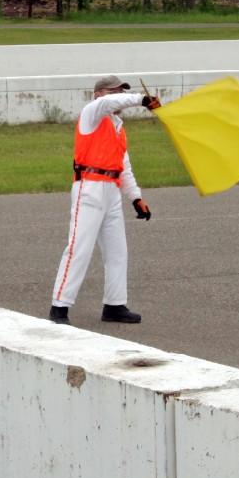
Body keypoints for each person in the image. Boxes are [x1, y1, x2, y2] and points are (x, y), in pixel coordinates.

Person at [49, 75, 160, 326]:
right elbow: (109, 104)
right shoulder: (92, 112)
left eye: (121, 91)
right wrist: (141, 99)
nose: (118, 96)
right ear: (99, 94)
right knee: (79, 248)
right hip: (88, 187)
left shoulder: (117, 126)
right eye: (113, 91)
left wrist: (136, 197)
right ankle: (59, 307)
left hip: (111, 191)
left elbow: (124, 165)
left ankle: (115, 304)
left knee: (117, 251)